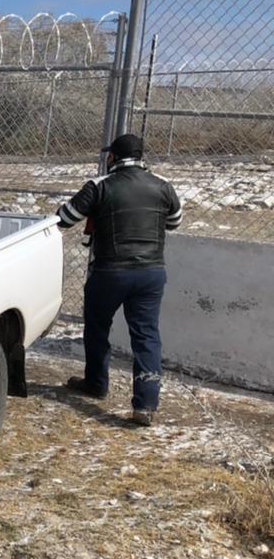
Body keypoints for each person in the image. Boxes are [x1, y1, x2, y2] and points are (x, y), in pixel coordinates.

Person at [56, 133, 183, 426]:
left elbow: (65, 217)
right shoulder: (163, 186)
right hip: (151, 273)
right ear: (141, 158)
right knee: (146, 335)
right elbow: (175, 221)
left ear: (112, 157)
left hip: (110, 272)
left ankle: (96, 383)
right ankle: (146, 405)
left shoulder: (100, 186)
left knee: (98, 326)